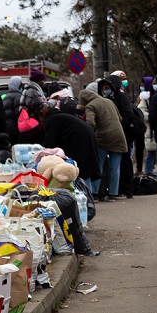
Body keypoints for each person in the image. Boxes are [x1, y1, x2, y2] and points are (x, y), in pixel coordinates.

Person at [36, 103, 100, 256]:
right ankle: (88, 205)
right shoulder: (60, 117)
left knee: (81, 174)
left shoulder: (53, 121)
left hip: (80, 142)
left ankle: (86, 207)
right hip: (85, 138)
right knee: (82, 176)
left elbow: (50, 141)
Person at [80, 82, 129, 199]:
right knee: (115, 167)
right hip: (119, 136)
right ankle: (113, 193)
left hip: (103, 138)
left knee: (99, 165)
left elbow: (90, 123)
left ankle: (95, 193)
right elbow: (120, 118)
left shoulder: (90, 106)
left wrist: (93, 132)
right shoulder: (109, 101)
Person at [105, 72, 143, 198]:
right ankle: (122, 188)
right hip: (120, 133)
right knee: (121, 161)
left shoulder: (121, 97)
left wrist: (120, 126)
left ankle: (127, 189)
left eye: (108, 87)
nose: (106, 90)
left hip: (125, 133)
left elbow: (128, 114)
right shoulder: (114, 96)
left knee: (125, 161)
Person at [137, 77, 157, 174]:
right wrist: (152, 116)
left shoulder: (156, 96)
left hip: (156, 129)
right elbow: (141, 112)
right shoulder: (144, 99)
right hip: (148, 129)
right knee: (150, 152)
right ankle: (147, 172)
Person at [3, 76, 23, 143]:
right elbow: (18, 112)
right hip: (15, 126)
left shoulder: (6, 96)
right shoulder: (18, 96)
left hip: (7, 126)